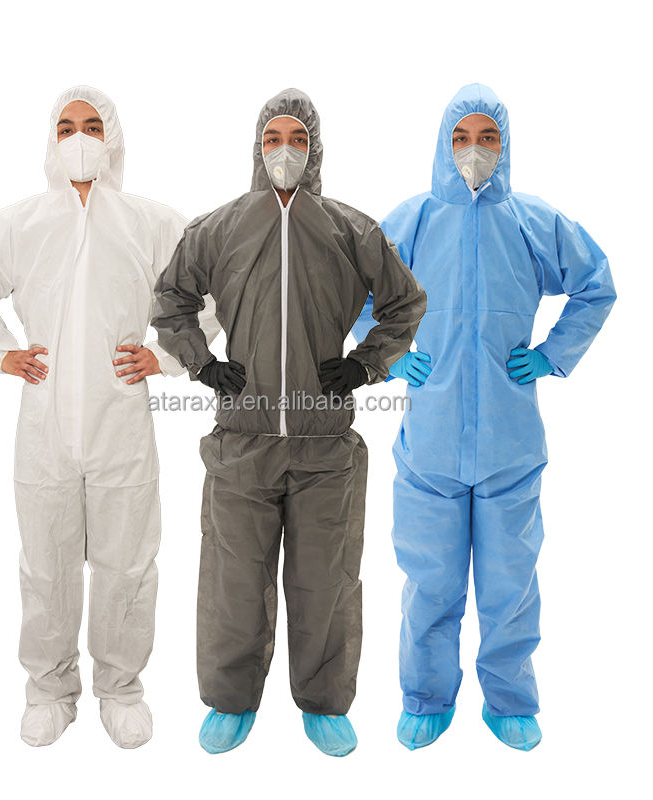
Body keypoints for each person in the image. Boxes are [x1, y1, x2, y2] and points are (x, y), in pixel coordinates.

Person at [151, 88, 427, 757]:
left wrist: (365, 363)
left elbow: (405, 303)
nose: (285, 151)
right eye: (273, 139)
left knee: (325, 582)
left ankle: (324, 703)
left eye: (297, 140)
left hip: (324, 442)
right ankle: (231, 699)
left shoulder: (349, 229)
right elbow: (171, 297)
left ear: (315, 148)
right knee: (234, 580)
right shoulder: (219, 228)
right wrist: (201, 363)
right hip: (241, 440)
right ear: (256, 148)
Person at [0, 86, 219, 748]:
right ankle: (49, 690)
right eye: (67, 126)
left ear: (113, 137)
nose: (79, 137)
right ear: (51, 138)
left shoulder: (148, 222)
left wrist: (166, 356)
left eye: (92, 126)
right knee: (46, 565)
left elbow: (215, 287)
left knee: (128, 564)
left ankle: (121, 689)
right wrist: (1, 352)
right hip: (44, 425)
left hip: (121, 422)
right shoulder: (22, 223)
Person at [352, 83, 616, 751]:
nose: (474, 150)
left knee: (509, 587)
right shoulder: (414, 220)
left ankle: (510, 701)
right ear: (444, 146)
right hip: (431, 446)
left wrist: (553, 354)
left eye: (487, 137)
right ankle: (426, 698)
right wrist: (390, 353)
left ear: (506, 145)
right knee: (430, 585)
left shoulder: (531, 222)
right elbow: (350, 288)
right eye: (462, 138)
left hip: (509, 445)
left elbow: (596, 285)